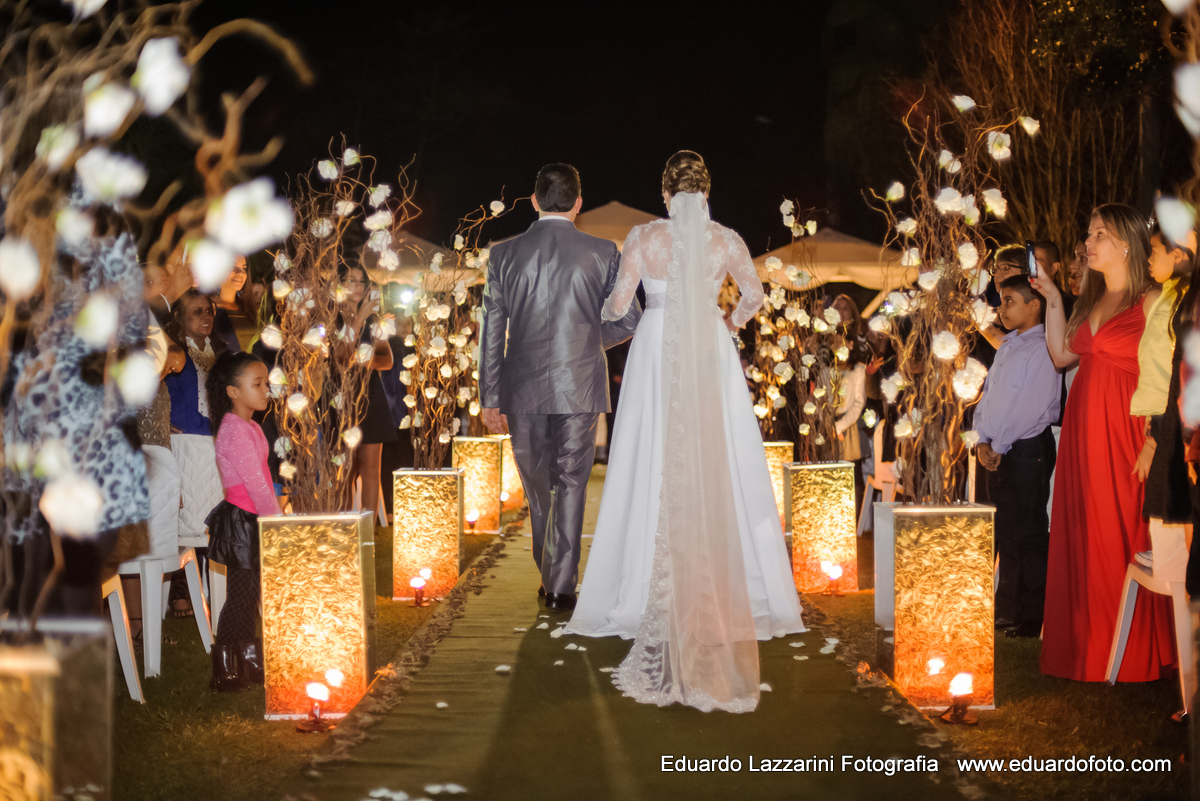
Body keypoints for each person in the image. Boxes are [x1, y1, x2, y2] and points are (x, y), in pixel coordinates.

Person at [564, 151, 806, 713]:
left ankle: (641, 586)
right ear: (707, 192)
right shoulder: (726, 240)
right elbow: (754, 295)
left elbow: (620, 303)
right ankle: (738, 584)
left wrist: (603, 304)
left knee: (651, 452)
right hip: (709, 349)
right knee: (717, 454)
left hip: (653, 347)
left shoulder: (644, 237)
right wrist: (729, 323)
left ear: (667, 195)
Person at [479, 163, 641, 612]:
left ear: (533, 201)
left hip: (522, 387)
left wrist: (489, 396)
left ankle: (553, 576)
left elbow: (492, 330)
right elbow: (630, 318)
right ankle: (561, 582)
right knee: (570, 481)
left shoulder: (503, 255)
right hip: (580, 384)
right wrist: (588, 343)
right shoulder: (604, 252)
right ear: (578, 203)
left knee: (537, 486)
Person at [1030, 203, 1177, 682]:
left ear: (1127, 244)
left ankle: (1131, 652)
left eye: (1099, 235)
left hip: (1125, 433)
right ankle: (1087, 648)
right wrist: (1052, 296)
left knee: (1119, 531)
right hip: (1081, 435)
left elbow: (1170, 375)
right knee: (1084, 529)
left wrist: (1156, 439)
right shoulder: (1092, 302)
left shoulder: (1154, 300)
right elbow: (1060, 356)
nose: (1088, 243)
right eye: (1089, 234)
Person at [974, 275, 1060, 638]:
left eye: (1009, 301)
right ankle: (1007, 608)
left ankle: (1031, 614)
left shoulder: (1042, 348)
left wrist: (1000, 444)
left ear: (1033, 305)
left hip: (1026, 450)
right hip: (999, 449)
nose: (1001, 308)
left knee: (1029, 531)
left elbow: (1030, 406)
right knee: (1006, 532)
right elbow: (989, 396)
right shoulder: (1008, 346)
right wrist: (981, 440)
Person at [204, 352, 279, 692]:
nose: (267, 390)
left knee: (249, 596)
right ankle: (224, 667)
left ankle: (248, 660)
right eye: (258, 384)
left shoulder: (250, 426)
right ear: (233, 391)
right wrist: (276, 521)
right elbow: (256, 485)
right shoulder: (234, 431)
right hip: (244, 521)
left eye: (266, 383)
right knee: (240, 597)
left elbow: (264, 478)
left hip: (253, 518)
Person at [340, 261, 396, 521]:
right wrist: (359, 317)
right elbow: (339, 357)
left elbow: (386, 361)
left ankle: (368, 536)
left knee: (371, 469)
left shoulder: (373, 321)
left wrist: (360, 360)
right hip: (341, 399)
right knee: (346, 469)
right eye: (351, 280)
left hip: (371, 397)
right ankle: (348, 531)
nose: (358, 286)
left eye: (361, 281)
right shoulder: (332, 318)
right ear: (339, 285)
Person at [165, 289, 228, 435]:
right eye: (198, 312)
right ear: (178, 316)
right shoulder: (173, 355)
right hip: (189, 439)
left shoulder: (222, 353)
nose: (207, 317)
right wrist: (213, 428)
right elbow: (171, 403)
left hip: (222, 438)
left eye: (208, 311)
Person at [210, 255, 248, 354]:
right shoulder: (208, 307)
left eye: (243, 268)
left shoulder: (249, 308)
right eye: (232, 267)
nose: (240, 273)